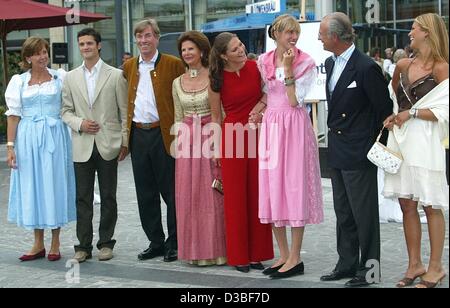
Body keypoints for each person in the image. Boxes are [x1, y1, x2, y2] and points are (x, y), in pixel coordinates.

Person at [318, 12, 393, 287]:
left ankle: (370, 270)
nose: (319, 38)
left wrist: (371, 147)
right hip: (338, 150)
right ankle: (346, 263)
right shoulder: (329, 62)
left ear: (335, 37)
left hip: (359, 152)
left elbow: (384, 111)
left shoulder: (365, 67)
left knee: (365, 216)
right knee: (344, 212)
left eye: (322, 34)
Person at [254, 14, 324, 279]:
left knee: (294, 188)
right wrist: (258, 110)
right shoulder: (263, 61)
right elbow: (267, 94)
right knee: (273, 188)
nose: (293, 37)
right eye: (288, 33)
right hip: (272, 126)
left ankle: (295, 257)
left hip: (294, 127)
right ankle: (282, 254)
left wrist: (289, 68)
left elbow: (295, 101)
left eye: (295, 33)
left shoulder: (306, 62)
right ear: (276, 35)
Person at [382, 13, 448, 288]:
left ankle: (435, 267)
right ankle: (414, 263)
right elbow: (394, 97)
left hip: (426, 141)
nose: (409, 32)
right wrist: (393, 116)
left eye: (413, 28)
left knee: (431, 204)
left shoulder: (442, 68)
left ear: (427, 33)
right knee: (406, 203)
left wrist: (413, 113)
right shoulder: (402, 64)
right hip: (401, 138)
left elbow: (445, 109)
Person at [5, 37, 76, 262]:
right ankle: (37, 243)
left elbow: (72, 105)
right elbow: (13, 116)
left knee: (54, 186)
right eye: (37, 53)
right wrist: (10, 147)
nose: (43, 56)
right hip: (27, 139)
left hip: (55, 137)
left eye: (45, 52)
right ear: (28, 57)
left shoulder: (60, 77)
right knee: (33, 187)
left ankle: (55, 242)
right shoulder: (18, 82)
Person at [62, 28, 128, 263]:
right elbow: (65, 111)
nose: (86, 47)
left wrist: (124, 141)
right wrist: (80, 123)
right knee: (83, 198)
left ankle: (106, 243)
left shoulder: (116, 75)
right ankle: (83, 246)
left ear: (99, 46)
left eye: (90, 43)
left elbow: (124, 111)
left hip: (108, 143)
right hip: (82, 145)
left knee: (109, 196)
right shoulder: (70, 77)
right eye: (82, 44)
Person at [209, 32, 274, 273]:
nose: (241, 49)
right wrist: (216, 147)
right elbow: (216, 116)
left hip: (258, 135)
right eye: (235, 48)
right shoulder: (216, 78)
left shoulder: (256, 68)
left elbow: (270, 93)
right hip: (232, 138)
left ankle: (258, 254)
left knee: (258, 195)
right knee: (235, 199)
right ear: (224, 56)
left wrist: (259, 107)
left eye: (240, 45)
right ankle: (239, 256)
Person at [122, 19, 185, 262]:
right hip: (138, 134)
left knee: (170, 191)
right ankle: (155, 241)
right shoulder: (129, 66)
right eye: (139, 36)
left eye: (148, 36)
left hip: (164, 134)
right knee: (145, 192)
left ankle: (174, 242)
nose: (143, 41)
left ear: (156, 38)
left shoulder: (173, 64)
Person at [172, 31, 226, 266]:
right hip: (186, 143)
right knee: (189, 197)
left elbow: (220, 113)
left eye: (191, 49)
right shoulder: (177, 82)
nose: (187, 53)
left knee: (211, 196)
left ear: (202, 51)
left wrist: (219, 145)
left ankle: (216, 250)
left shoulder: (214, 76)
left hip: (209, 138)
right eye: (183, 50)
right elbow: (177, 115)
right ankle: (194, 251)